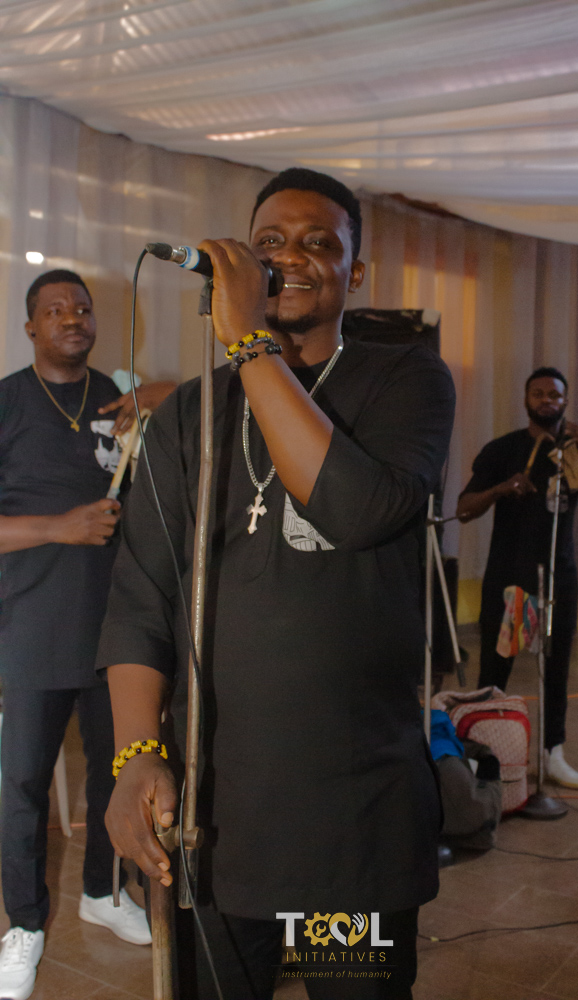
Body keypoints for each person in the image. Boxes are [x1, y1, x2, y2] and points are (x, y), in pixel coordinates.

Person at [97, 168, 456, 999]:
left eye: (317, 243)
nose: (290, 257)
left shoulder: (405, 381)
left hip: (351, 825)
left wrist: (248, 344)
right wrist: (136, 755)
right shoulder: (189, 415)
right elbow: (142, 597)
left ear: (355, 273)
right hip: (216, 821)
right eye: (269, 242)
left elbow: (357, 510)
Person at [0, 269, 176, 1000]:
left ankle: (103, 893)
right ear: (31, 327)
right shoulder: (7, 402)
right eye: (54, 310)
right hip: (30, 629)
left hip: (116, 634)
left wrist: (166, 397)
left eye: (81, 307)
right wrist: (59, 527)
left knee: (117, 772)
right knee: (21, 787)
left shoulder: (120, 398)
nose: (71, 317)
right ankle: (23, 924)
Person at [456, 367, 578, 788]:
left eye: (554, 394)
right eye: (537, 393)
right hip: (507, 578)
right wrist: (501, 488)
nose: (546, 400)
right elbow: (464, 509)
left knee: (556, 671)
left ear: (565, 401)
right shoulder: (502, 449)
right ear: (526, 400)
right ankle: (482, 753)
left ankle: (552, 753)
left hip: (558, 579)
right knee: (494, 670)